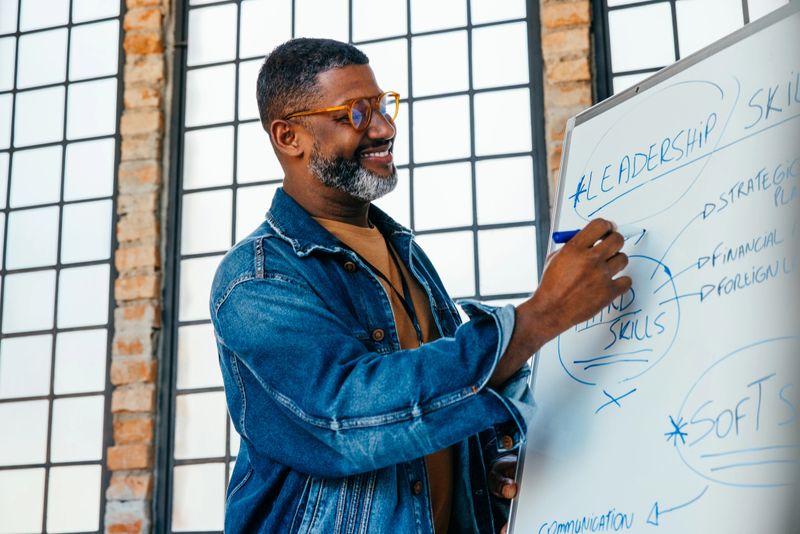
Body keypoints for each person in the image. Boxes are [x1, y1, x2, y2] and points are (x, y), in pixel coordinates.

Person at [209, 38, 631, 533]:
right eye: (355, 114)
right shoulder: (254, 280)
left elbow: (430, 409)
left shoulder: (403, 252)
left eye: (383, 106)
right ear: (289, 137)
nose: (385, 128)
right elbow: (345, 417)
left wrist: (484, 467)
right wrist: (540, 317)